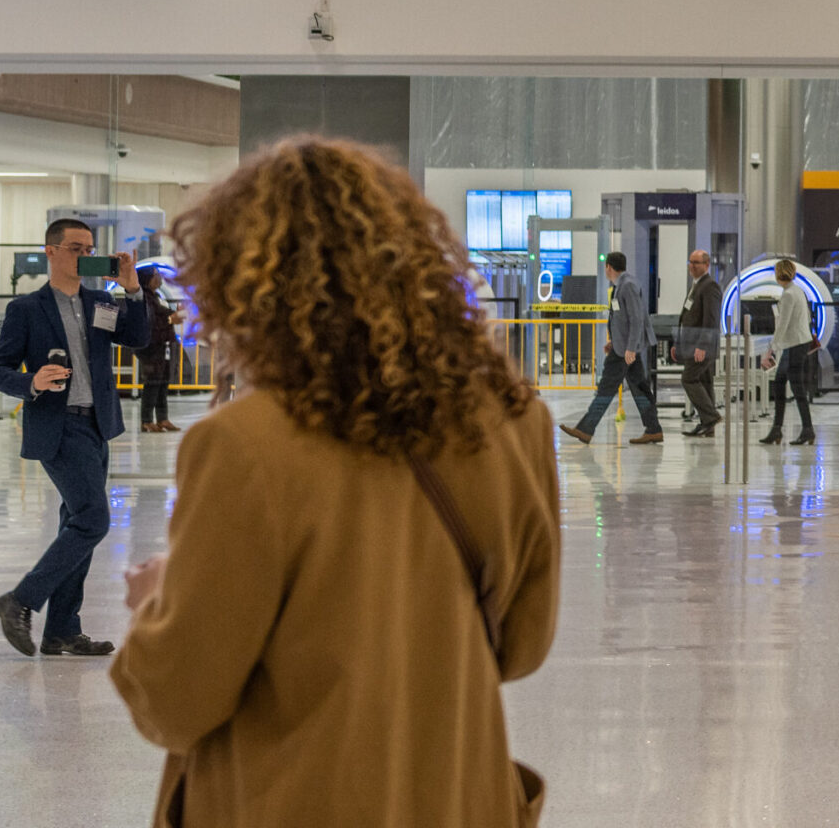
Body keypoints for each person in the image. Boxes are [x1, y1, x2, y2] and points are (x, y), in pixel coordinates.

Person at [109, 137, 557, 828]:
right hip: (455, 793)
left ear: (244, 284)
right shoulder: (513, 423)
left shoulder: (244, 445)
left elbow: (179, 698)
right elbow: (521, 645)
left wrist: (159, 602)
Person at [0, 218, 147, 657]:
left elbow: (139, 338)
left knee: (76, 522)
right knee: (94, 518)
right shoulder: (26, 309)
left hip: (98, 424)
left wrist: (132, 289)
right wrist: (32, 381)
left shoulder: (101, 301)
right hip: (58, 426)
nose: (84, 255)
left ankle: (61, 629)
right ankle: (20, 601)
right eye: (75, 248)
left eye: (89, 248)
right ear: (51, 252)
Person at [561, 250, 660, 446]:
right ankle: (654, 429)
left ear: (608, 267)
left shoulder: (628, 285)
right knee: (639, 388)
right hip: (623, 346)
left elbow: (636, 318)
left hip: (625, 351)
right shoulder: (621, 285)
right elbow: (621, 319)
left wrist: (630, 348)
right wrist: (615, 340)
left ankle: (585, 429)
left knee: (606, 386)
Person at [760, 257, 819, 446]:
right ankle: (779, 429)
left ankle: (803, 429)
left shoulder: (787, 295)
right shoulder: (797, 291)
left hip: (794, 345)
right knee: (782, 383)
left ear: (778, 274)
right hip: (798, 343)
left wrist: (770, 350)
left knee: (795, 386)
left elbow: (782, 325)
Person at [675, 248, 722, 438]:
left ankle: (710, 416)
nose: (692, 266)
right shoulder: (696, 285)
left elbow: (711, 319)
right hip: (691, 345)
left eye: (696, 263)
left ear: (707, 265)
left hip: (702, 347)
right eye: (690, 262)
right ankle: (707, 426)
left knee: (688, 378)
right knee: (704, 381)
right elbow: (688, 317)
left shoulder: (710, 286)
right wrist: (678, 344)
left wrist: (702, 345)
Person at [135, 265, 181, 434]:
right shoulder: (144, 299)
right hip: (150, 348)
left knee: (162, 382)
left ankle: (163, 418)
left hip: (163, 346)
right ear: (148, 279)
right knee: (152, 383)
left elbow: (163, 313)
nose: (160, 278)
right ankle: (146, 420)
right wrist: (170, 319)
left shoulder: (155, 297)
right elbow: (152, 321)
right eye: (156, 275)